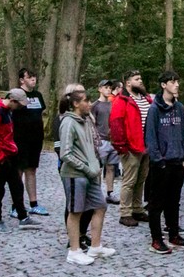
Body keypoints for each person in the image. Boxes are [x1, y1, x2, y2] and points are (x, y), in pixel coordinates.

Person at [58, 90, 116, 265]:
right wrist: (85, 168)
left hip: (90, 175)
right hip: (75, 175)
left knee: (100, 206)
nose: (89, 103)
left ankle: (95, 247)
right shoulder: (68, 122)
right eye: (86, 100)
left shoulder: (85, 121)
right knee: (76, 211)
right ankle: (74, 250)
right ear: (76, 104)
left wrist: (95, 167)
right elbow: (65, 153)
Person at [145, 70, 184, 253]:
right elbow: (150, 138)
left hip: (177, 162)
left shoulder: (179, 107)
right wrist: (159, 160)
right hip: (161, 164)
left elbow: (183, 133)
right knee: (156, 203)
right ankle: (156, 239)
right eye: (173, 82)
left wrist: (183, 156)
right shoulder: (154, 109)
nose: (177, 85)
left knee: (174, 201)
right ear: (163, 85)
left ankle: (174, 234)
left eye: (177, 82)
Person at [0, 88, 41, 233]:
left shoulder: (8, 111)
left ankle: (23, 216)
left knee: (17, 186)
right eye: (19, 104)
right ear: (12, 100)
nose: (21, 107)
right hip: (0, 158)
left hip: (10, 156)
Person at [109, 70, 152, 227]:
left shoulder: (146, 99)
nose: (140, 81)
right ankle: (125, 212)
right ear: (128, 83)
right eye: (136, 79)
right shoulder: (122, 101)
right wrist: (121, 146)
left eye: (140, 78)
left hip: (146, 146)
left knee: (141, 179)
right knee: (129, 180)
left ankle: (137, 208)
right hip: (131, 147)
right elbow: (116, 123)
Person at [11, 68, 49, 216]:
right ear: (22, 80)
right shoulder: (16, 95)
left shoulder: (38, 95)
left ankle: (34, 204)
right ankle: (16, 206)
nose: (33, 80)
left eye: (34, 77)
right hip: (20, 139)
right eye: (30, 77)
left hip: (36, 139)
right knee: (18, 171)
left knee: (31, 170)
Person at [92, 79, 120, 205]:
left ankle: (110, 192)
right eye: (105, 87)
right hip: (101, 140)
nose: (108, 89)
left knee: (111, 167)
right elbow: (92, 124)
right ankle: (96, 193)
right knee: (98, 168)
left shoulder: (112, 104)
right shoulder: (95, 106)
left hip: (112, 140)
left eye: (110, 88)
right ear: (99, 89)